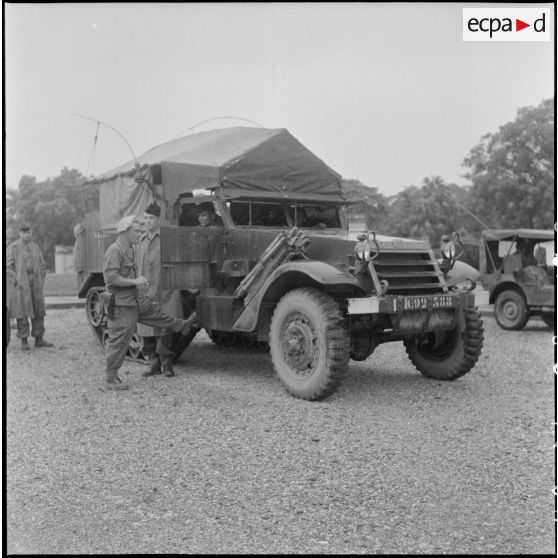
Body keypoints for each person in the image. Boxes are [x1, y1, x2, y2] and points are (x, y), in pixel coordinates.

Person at [102, 215, 197, 390]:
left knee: (156, 313)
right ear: (125, 231)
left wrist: (139, 289)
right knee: (119, 341)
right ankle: (111, 379)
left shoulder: (130, 249)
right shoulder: (115, 250)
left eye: (140, 231)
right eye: (136, 231)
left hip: (134, 299)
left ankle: (181, 325)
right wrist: (135, 282)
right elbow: (111, 278)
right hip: (122, 305)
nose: (140, 234)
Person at [136, 203, 185, 378]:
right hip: (145, 293)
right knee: (146, 329)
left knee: (164, 329)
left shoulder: (167, 239)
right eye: (146, 218)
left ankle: (167, 364)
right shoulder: (140, 241)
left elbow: (176, 263)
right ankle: (153, 364)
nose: (148, 221)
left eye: (151, 218)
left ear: (158, 220)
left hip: (164, 292)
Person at [6, 222, 53, 350]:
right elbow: (7, 267)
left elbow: (42, 264)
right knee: (22, 312)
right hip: (21, 285)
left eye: (29, 232)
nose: (27, 234)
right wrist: (16, 279)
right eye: (24, 232)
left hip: (36, 284)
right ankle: (24, 340)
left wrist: (42, 277)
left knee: (39, 311)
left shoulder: (36, 247)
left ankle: (39, 338)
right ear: (19, 233)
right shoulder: (13, 248)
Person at [72, 223, 86, 291]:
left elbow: (79, 254)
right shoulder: (79, 240)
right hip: (80, 265)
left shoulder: (79, 240)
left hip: (80, 265)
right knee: (81, 281)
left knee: (81, 281)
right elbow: (78, 254)